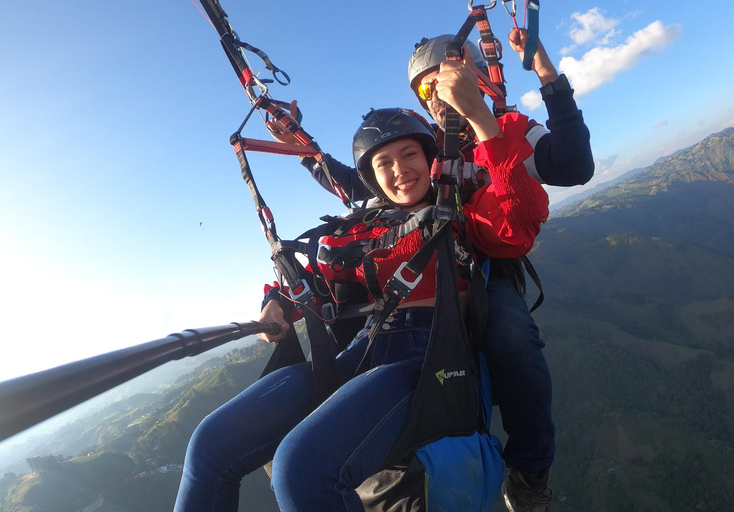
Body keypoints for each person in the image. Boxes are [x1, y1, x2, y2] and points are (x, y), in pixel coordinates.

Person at [173, 91, 550, 510]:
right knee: (208, 445)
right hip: (358, 355)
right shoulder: (356, 231)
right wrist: (277, 304)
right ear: (371, 177)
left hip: (429, 361)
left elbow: (517, 224)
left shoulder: (461, 213)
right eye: (383, 163)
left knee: (299, 466)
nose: (400, 170)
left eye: (409, 154)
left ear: (430, 160)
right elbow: (310, 282)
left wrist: (484, 122)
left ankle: (532, 469)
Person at [268, 31, 594, 512]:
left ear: (473, 76)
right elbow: (365, 182)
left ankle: (530, 472)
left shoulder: (507, 126)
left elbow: (573, 165)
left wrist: (544, 71)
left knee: (511, 335)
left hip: (486, 265)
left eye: (442, 80)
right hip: (423, 267)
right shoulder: (428, 143)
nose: (435, 94)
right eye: (424, 89)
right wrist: (301, 145)